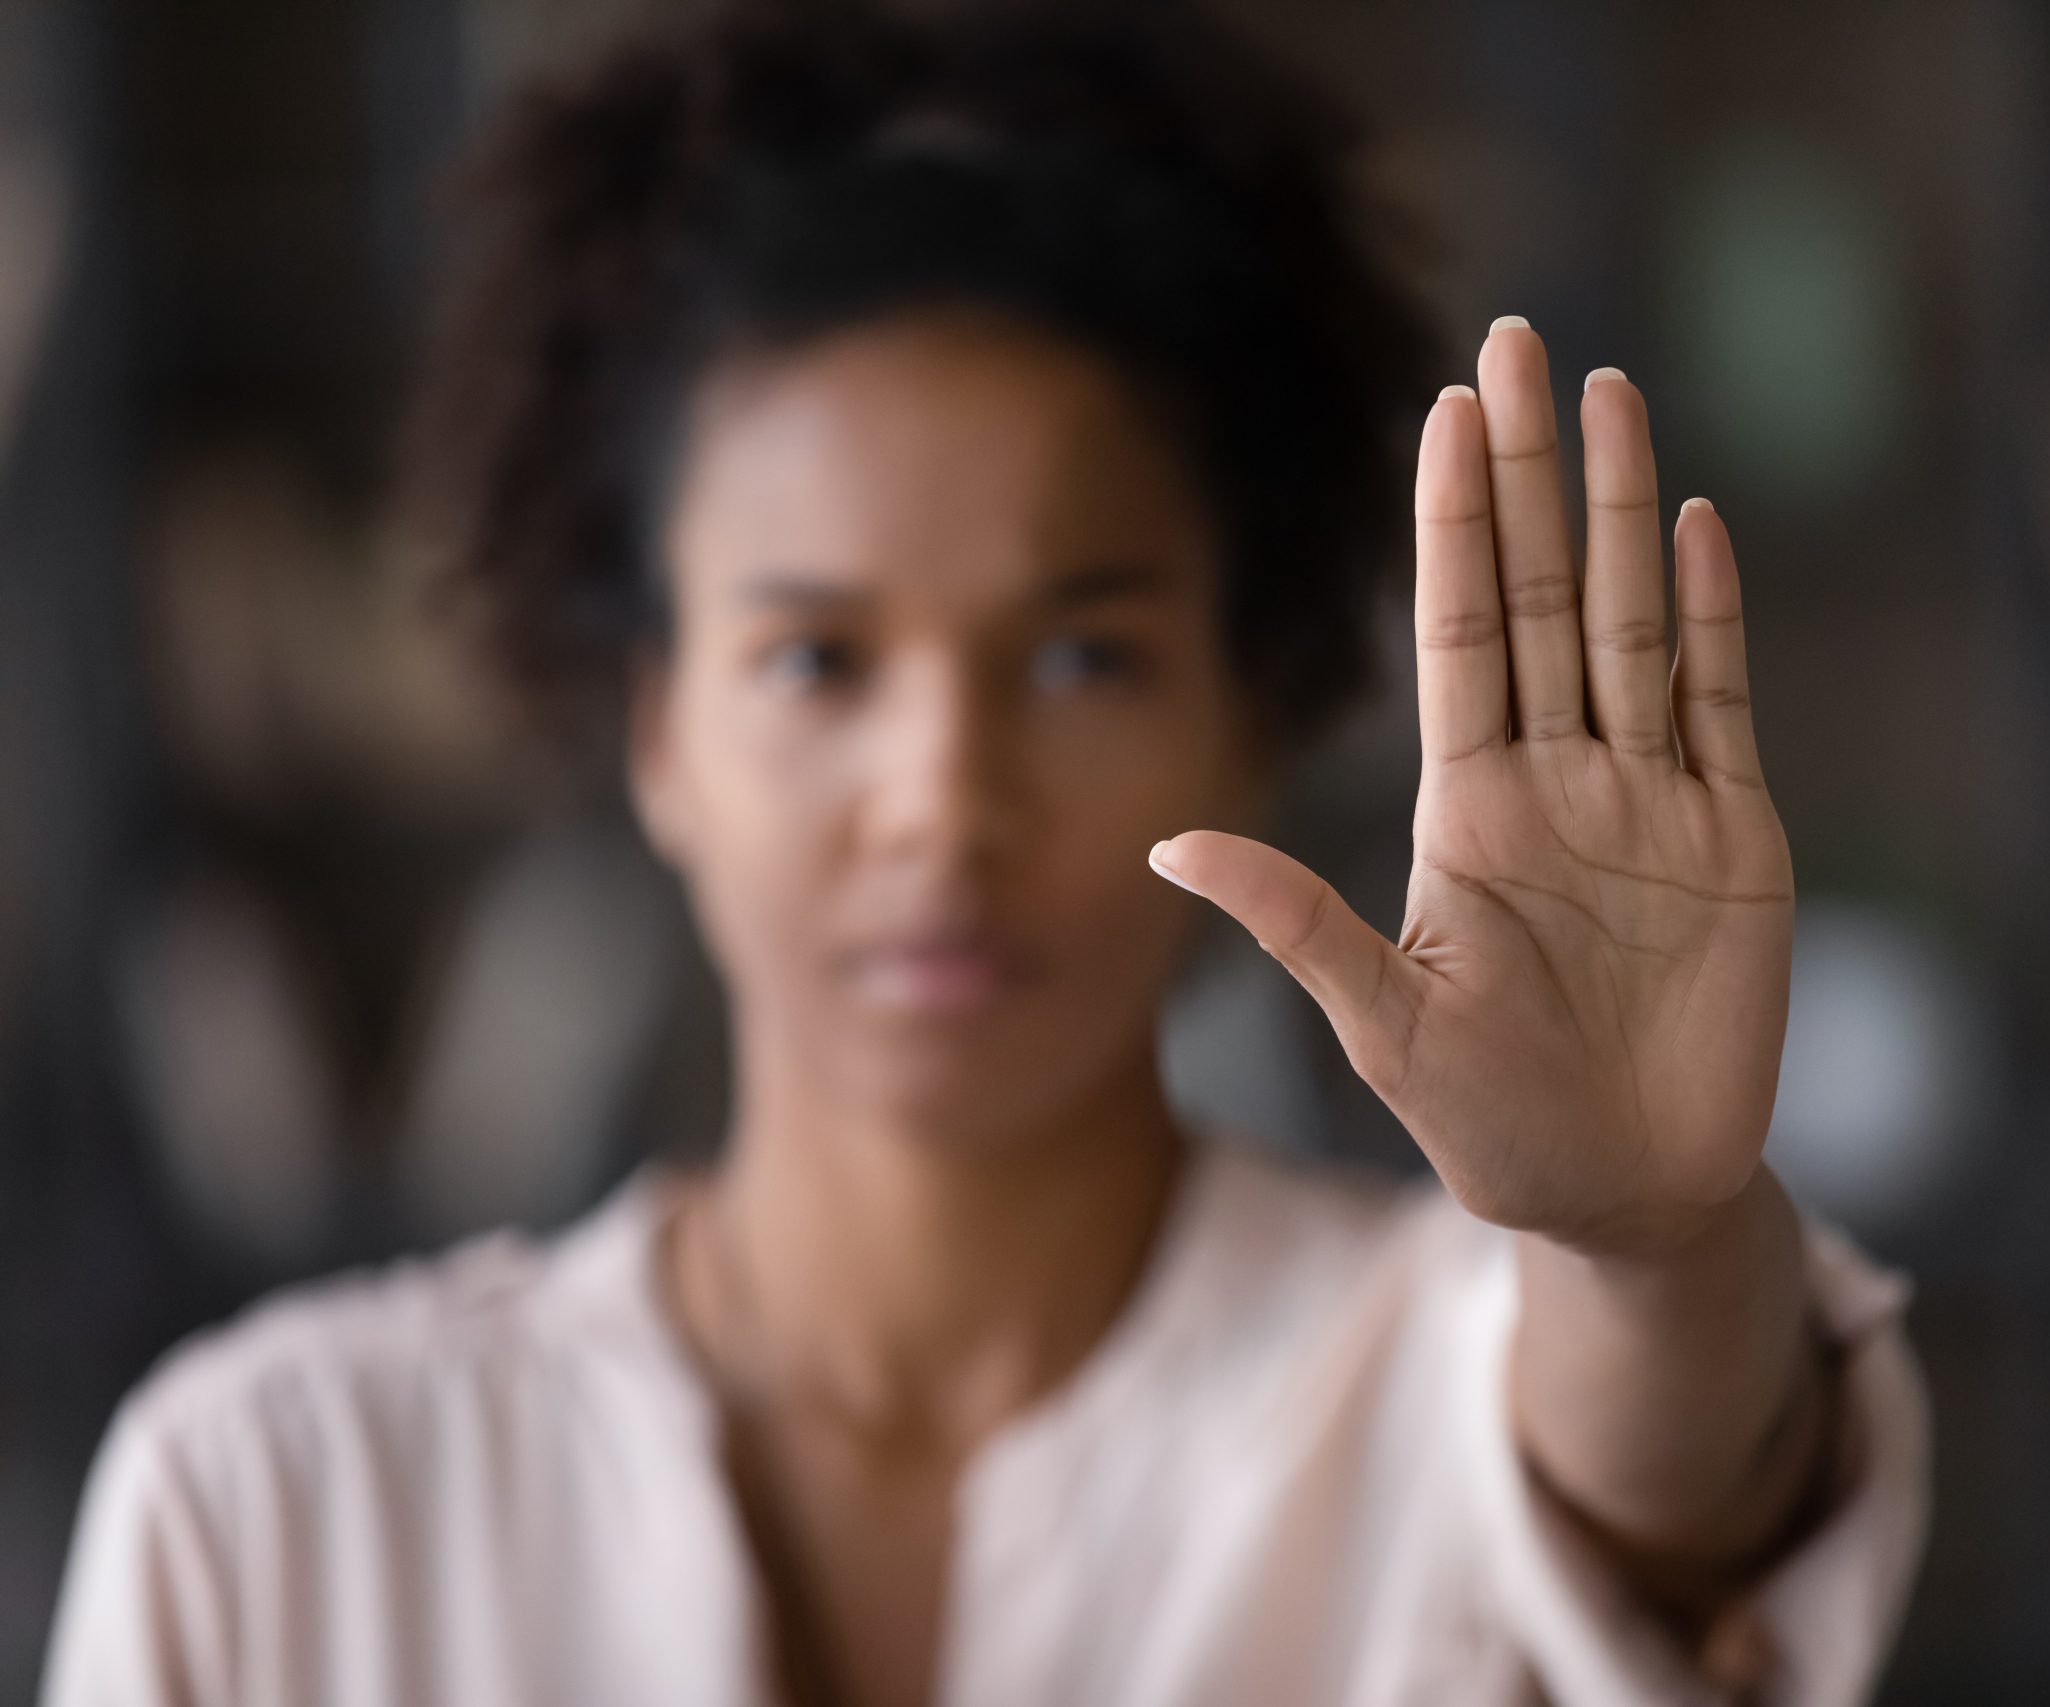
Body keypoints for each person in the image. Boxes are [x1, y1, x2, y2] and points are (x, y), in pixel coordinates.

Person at [40, 3, 1927, 1703]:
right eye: (815, 661)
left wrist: (1653, 1243)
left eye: (1083, 653)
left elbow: (1670, 1498)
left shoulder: (1453, 1378)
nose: (943, 795)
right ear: (654, 730)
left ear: (1252, 711)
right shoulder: (277, 1500)